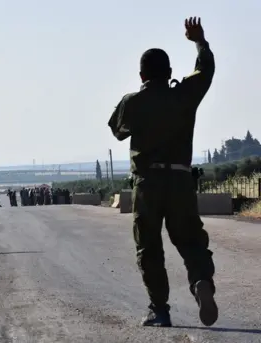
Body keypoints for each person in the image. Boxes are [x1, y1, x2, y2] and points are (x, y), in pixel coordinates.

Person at [107, 17, 217, 328]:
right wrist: (199, 41)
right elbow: (205, 70)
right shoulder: (184, 94)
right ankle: (201, 283)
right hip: (181, 180)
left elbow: (118, 131)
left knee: (149, 247)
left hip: (149, 183)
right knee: (192, 241)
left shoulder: (134, 102)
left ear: (141, 75)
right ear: (169, 73)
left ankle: (160, 310)